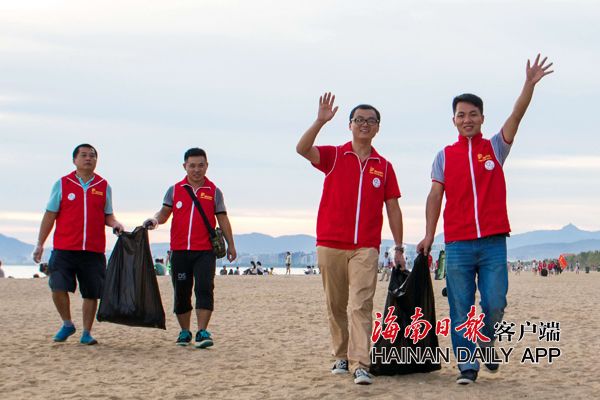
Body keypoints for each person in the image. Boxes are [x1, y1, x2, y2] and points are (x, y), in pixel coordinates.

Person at [417, 55, 554, 385]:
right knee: (461, 308)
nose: (467, 119)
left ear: (481, 118)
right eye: (461, 115)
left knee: (494, 302)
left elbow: (516, 116)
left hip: (493, 242)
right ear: (454, 120)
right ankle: (468, 368)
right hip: (458, 245)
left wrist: (528, 85)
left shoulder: (494, 147)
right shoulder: (443, 157)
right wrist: (429, 235)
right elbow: (435, 196)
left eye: (473, 114)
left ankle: (488, 339)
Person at [296, 93, 406, 385]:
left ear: (378, 127)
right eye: (359, 120)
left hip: (366, 247)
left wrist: (398, 246)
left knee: (361, 305)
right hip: (330, 243)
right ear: (350, 125)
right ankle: (340, 355)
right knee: (336, 304)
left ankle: (361, 363)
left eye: (371, 121)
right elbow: (302, 148)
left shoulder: (383, 166)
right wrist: (320, 121)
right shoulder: (334, 155)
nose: (365, 125)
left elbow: (393, 207)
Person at [144, 147, 236, 349]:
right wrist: (154, 221)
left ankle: (202, 331)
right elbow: (164, 213)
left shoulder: (214, 192)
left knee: (204, 289)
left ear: (207, 166)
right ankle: (184, 331)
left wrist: (231, 244)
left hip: (204, 251)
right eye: (192, 166)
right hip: (179, 251)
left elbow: (222, 218)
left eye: (200, 165)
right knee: (182, 292)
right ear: (184, 166)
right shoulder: (175, 190)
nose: (196, 170)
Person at [32, 144, 124, 345]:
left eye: (92, 156)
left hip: (93, 249)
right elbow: (50, 215)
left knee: (91, 293)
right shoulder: (62, 184)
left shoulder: (103, 185)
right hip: (64, 247)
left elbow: (107, 214)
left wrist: (115, 224)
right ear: (75, 160)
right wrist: (40, 244)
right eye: (83, 155)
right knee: (57, 286)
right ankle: (67, 323)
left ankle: (86, 333)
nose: (88, 159)